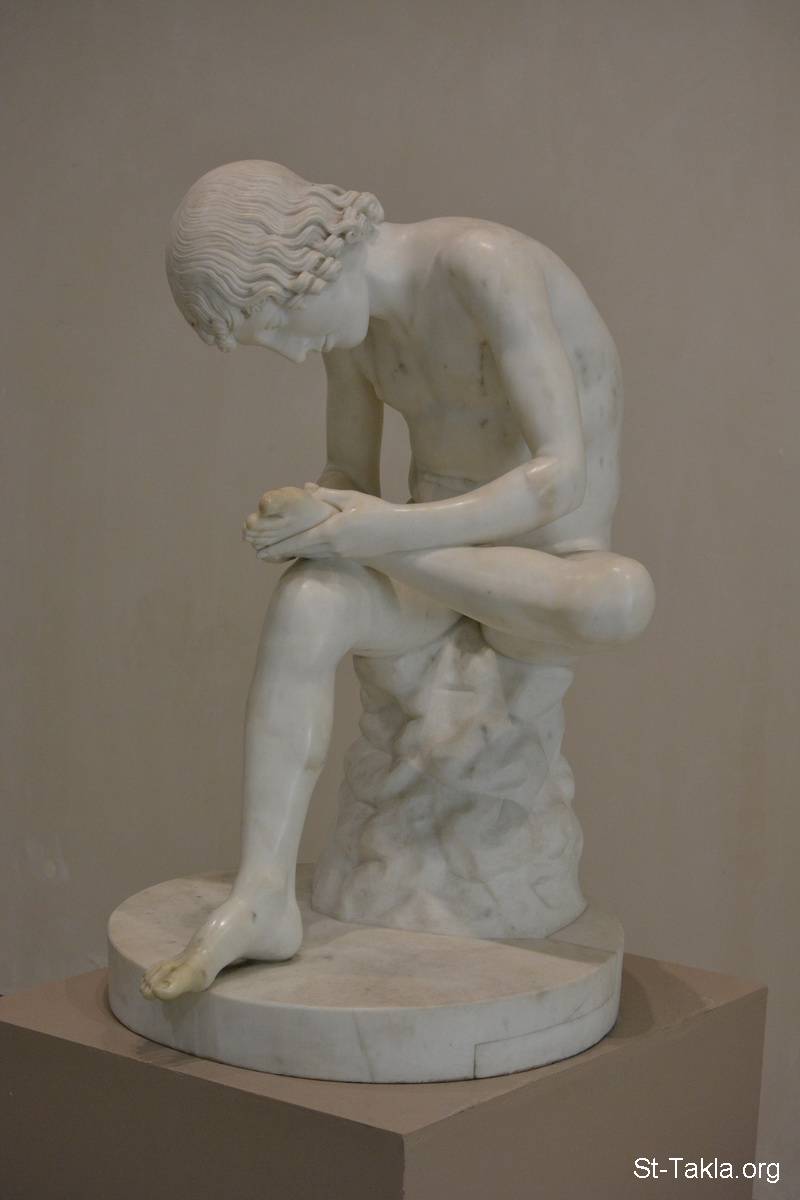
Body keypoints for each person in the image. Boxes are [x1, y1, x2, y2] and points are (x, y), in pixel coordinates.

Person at [141, 159, 654, 1000]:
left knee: (622, 598)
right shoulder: (354, 333)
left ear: (307, 258)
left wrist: (380, 532)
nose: (292, 349)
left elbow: (560, 476)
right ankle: (263, 896)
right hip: (432, 563)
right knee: (311, 601)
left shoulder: (481, 265)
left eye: (279, 323)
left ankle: (388, 551)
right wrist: (313, 510)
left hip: (540, 568)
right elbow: (350, 473)